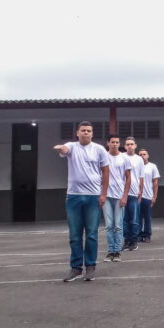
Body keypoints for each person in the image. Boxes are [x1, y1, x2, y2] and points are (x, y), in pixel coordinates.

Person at [54, 121, 110, 282]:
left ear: (92, 134)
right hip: (74, 197)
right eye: (83, 130)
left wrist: (103, 193)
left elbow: (106, 172)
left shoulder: (99, 149)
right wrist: (62, 149)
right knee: (75, 235)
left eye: (89, 131)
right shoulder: (71, 146)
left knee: (91, 234)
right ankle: (76, 268)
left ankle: (90, 267)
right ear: (77, 133)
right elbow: (64, 150)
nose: (86, 133)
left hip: (93, 196)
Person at [103, 134, 131, 262]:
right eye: (112, 142)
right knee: (109, 225)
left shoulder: (124, 158)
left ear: (119, 144)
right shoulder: (103, 157)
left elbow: (128, 178)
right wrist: (101, 194)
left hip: (119, 196)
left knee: (118, 225)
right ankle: (110, 251)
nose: (115, 144)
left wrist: (125, 196)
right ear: (108, 143)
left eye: (117, 142)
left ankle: (117, 252)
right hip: (106, 196)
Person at [123, 136, 144, 251]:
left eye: (132, 144)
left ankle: (134, 241)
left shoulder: (139, 159)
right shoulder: (122, 157)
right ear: (125, 146)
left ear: (135, 146)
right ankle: (127, 241)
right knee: (124, 220)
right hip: (122, 193)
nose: (130, 146)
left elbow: (141, 177)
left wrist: (140, 192)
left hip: (134, 193)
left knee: (134, 219)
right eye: (128, 144)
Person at [138, 148, 160, 243]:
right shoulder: (136, 166)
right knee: (137, 218)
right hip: (137, 196)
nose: (142, 156)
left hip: (148, 196)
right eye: (140, 154)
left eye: (144, 154)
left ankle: (147, 235)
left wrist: (154, 196)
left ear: (148, 155)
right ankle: (138, 235)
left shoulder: (152, 166)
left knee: (147, 218)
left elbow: (155, 182)